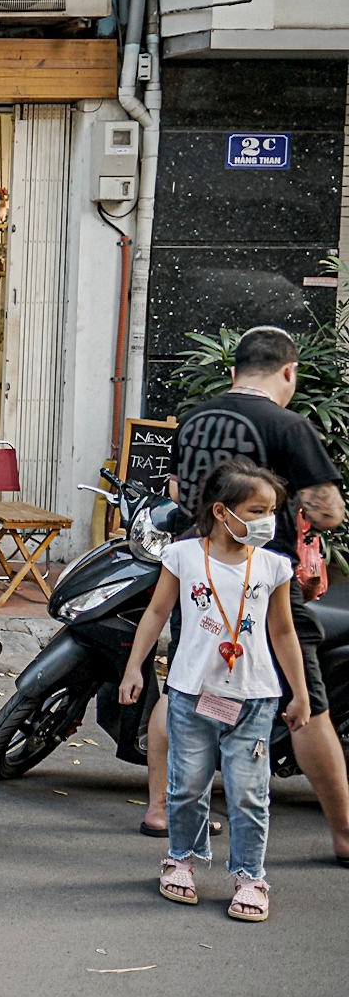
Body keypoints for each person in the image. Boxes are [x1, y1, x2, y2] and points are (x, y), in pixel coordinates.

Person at [146, 325, 349, 861]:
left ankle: (160, 809)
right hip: (262, 582)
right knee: (306, 702)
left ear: (234, 371)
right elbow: (327, 511)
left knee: (184, 686)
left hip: (198, 576)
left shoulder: (194, 419)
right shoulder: (289, 425)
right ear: (289, 372)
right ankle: (346, 834)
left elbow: (175, 490)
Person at [120, 458, 308, 920]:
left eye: (272, 510)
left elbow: (284, 633)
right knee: (187, 785)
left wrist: (299, 692)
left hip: (255, 697)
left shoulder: (274, 567)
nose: (267, 520)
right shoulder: (183, 556)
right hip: (191, 693)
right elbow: (157, 614)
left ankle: (250, 876)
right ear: (223, 512)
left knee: (248, 790)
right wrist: (134, 668)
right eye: (258, 509)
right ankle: (180, 860)